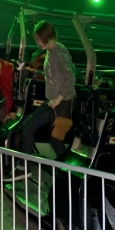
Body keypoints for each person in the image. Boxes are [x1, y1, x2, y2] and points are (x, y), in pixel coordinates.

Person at [8, 21, 76, 178]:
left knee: (54, 139)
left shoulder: (59, 53)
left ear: (47, 37)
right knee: (29, 126)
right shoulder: (51, 52)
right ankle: (24, 166)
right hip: (53, 102)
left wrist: (58, 99)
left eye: (39, 39)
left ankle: (69, 174)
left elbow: (70, 79)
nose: (37, 43)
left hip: (62, 103)